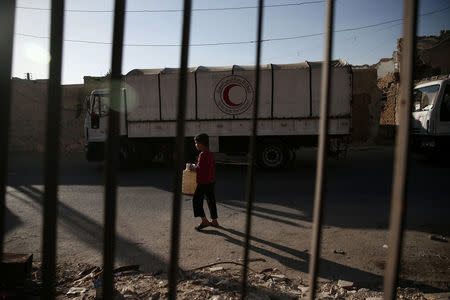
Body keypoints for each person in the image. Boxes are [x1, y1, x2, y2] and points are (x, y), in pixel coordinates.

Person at [190, 133, 218, 230]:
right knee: (211, 200)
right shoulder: (210, 154)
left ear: (201, 144)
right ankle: (214, 221)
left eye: (197, 143)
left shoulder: (202, 155)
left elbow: (200, 169)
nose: (196, 145)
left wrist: (192, 167)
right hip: (211, 181)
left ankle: (204, 221)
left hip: (203, 182)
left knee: (196, 200)